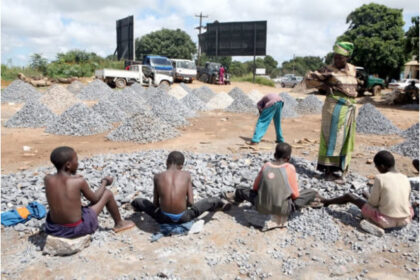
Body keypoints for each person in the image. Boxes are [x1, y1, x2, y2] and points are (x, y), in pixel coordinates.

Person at [44, 146, 135, 238]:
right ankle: (119, 223)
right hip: (75, 229)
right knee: (107, 193)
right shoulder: (79, 181)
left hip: (54, 228)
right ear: (68, 165)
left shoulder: (47, 179)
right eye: (76, 160)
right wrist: (105, 182)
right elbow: (95, 199)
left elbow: (63, 184)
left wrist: (73, 178)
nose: (77, 163)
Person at [223, 143, 322, 225]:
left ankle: (235, 200)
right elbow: (295, 195)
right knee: (311, 192)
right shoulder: (290, 168)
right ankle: (314, 201)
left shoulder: (266, 166)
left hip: (260, 206)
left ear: (274, 155)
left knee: (241, 189)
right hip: (283, 210)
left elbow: (255, 188)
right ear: (288, 158)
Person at [305, 41, 358, 183]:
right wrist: (324, 85)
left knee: (345, 139)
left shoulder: (353, 69)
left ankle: (341, 168)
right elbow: (309, 78)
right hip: (334, 108)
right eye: (335, 56)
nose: (337, 60)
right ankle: (329, 170)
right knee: (332, 138)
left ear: (347, 57)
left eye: (340, 57)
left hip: (349, 109)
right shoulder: (328, 69)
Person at [131, 151, 230, 224]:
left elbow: (155, 204)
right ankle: (221, 204)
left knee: (139, 201)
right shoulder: (186, 175)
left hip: (162, 218)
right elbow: (191, 202)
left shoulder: (157, 176)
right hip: (183, 218)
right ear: (181, 166)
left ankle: (134, 206)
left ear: (166, 162)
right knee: (208, 201)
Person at [322, 151, 413, 229]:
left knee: (349, 196)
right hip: (405, 219)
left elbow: (373, 203)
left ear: (382, 166)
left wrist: (368, 197)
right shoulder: (404, 177)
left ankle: (326, 201)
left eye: (376, 167)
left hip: (385, 220)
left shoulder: (380, 178)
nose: (377, 169)